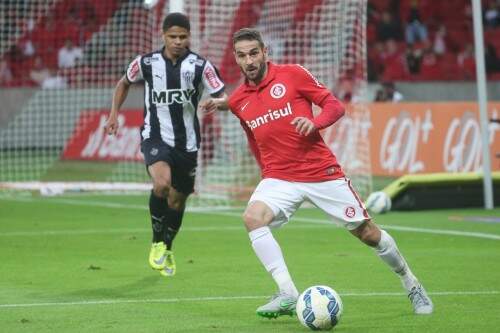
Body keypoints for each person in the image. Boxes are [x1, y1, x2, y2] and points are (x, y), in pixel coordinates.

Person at [206, 28, 433, 318]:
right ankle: (287, 293)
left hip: (320, 172)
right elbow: (254, 138)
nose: (249, 60)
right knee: (252, 217)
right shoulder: (239, 101)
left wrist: (315, 123)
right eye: (242, 55)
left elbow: (334, 106)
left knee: (368, 234)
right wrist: (265, 171)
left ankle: (410, 283)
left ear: (264, 52)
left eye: (253, 53)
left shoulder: (293, 74)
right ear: (236, 59)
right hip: (279, 177)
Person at [104, 13, 226, 277]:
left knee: (178, 200)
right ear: (163, 36)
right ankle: (156, 242)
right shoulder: (145, 62)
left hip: (188, 144)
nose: (178, 41)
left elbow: (222, 95)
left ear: (189, 37)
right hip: (155, 136)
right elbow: (124, 83)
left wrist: (217, 103)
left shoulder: (201, 66)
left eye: (183, 36)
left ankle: (168, 247)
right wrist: (114, 113)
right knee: (161, 184)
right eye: (173, 36)